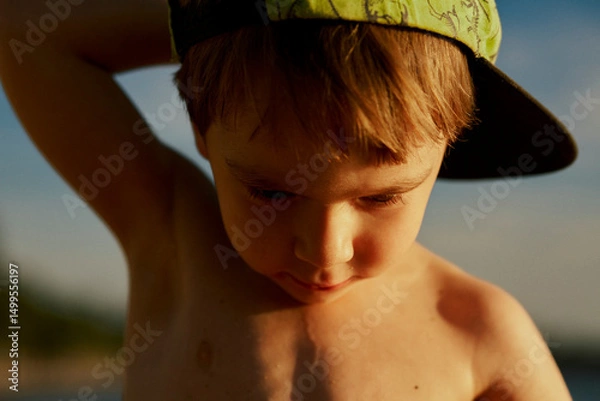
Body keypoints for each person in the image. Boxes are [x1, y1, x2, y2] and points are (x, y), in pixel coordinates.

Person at [0, 0, 576, 399]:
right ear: (202, 130)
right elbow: (22, 30)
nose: (324, 251)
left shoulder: (480, 330)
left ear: (447, 145)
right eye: (271, 192)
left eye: (380, 198)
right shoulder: (173, 235)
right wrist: (224, 17)